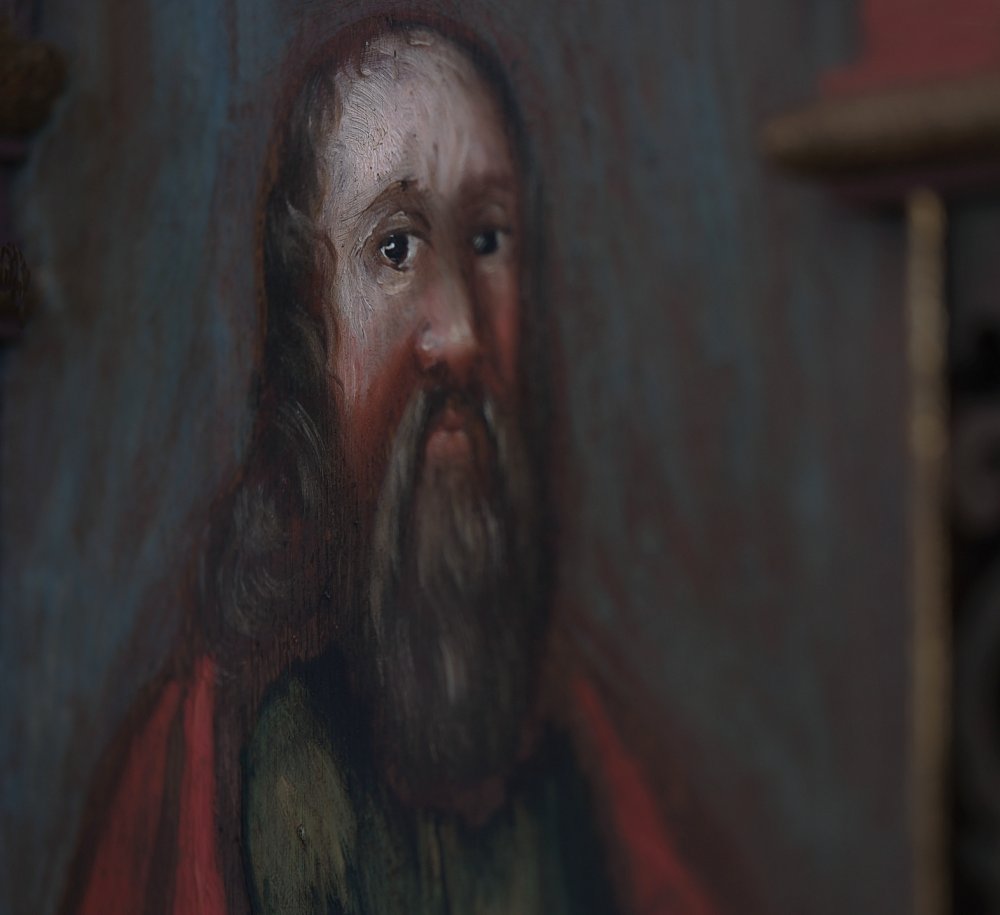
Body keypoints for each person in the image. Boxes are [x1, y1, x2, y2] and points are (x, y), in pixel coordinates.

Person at [60, 18, 718, 915]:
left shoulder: (590, 766)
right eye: (396, 247)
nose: (462, 334)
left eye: (488, 241)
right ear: (309, 336)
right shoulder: (190, 772)